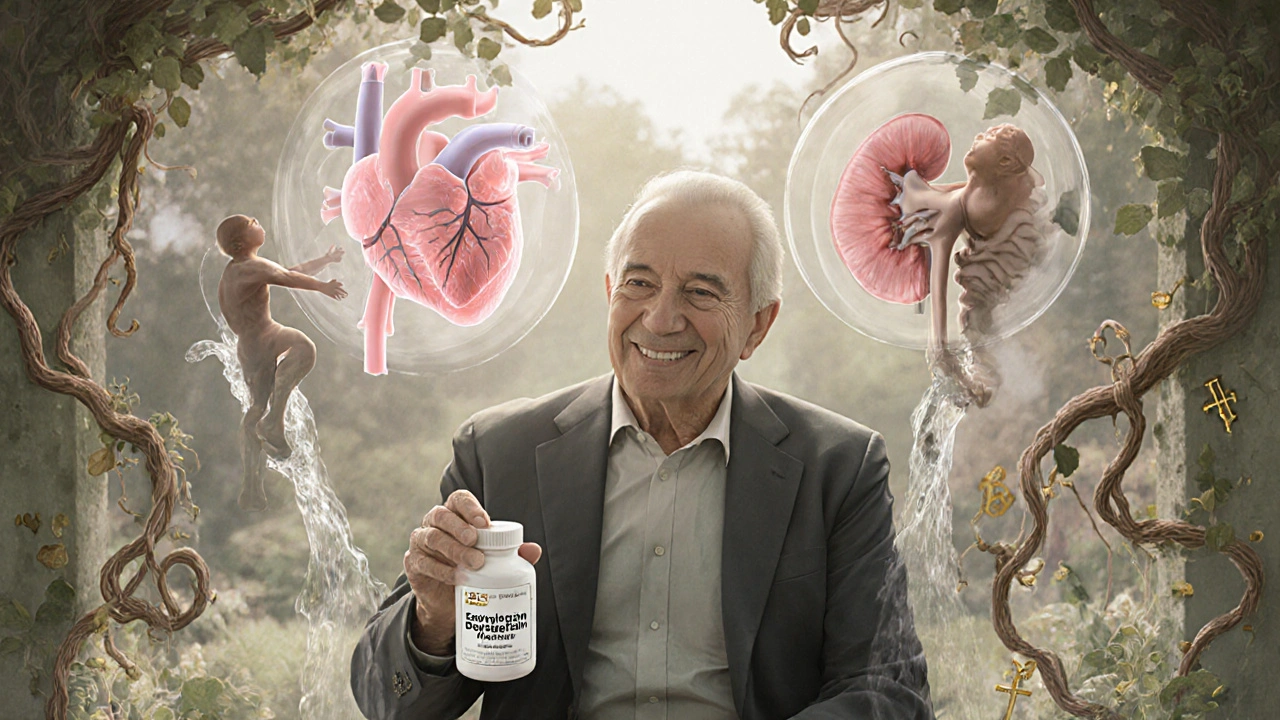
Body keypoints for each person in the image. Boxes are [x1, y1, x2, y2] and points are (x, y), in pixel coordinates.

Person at [350, 171, 933, 719]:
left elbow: (887, 689)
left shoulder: (839, 468)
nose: (659, 319)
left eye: (701, 292)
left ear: (758, 324)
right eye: (639, 283)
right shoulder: (499, 455)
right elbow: (385, 700)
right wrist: (433, 622)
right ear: (610, 292)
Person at [216, 214, 347, 511]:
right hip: (262, 339)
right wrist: (322, 287)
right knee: (304, 349)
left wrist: (323, 261)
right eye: (253, 223)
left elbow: (287, 271)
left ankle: (251, 487)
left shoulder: (242, 268)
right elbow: (288, 278)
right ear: (240, 243)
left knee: (255, 408)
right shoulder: (248, 268)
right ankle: (274, 422)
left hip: (252, 343)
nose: (258, 222)